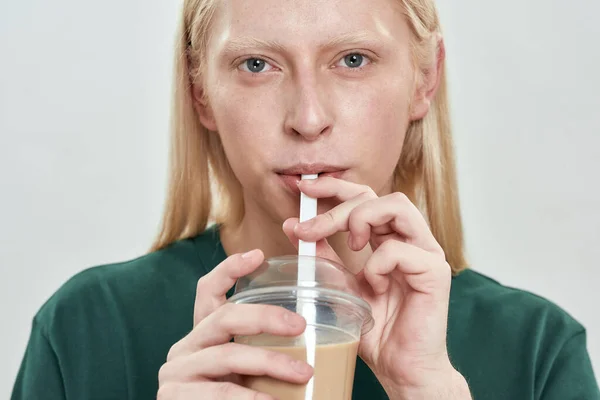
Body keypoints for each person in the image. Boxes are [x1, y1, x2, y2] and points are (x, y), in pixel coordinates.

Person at [11, 0, 599, 398]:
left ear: (424, 80)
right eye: (257, 64)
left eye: (352, 60)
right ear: (202, 95)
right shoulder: (86, 328)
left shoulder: (539, 352)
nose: (308, 119)